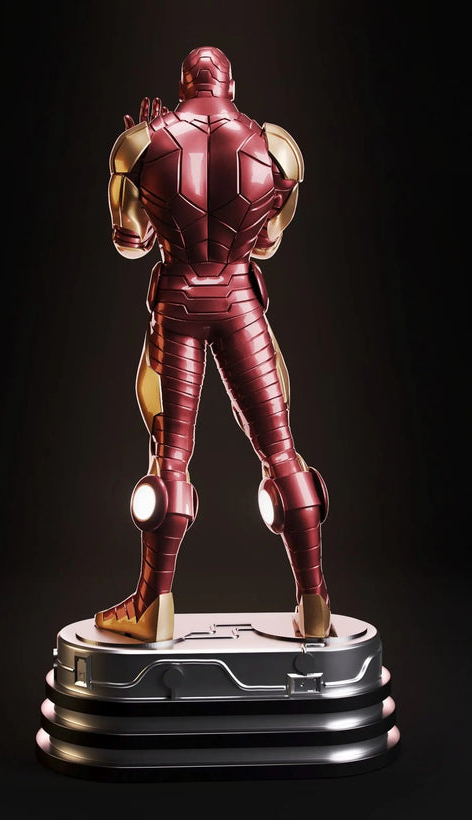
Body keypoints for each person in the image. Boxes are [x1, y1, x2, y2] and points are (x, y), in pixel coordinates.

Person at [94, 46, 331, 642]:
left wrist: (146, 166)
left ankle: (153, 605)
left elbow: (128, 242)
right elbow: (268, 243)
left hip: (178, 299)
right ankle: (315, 602)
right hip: (239, 300)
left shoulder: (139, 144)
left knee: (170, 457)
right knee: (282, 451)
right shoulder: (276, 147)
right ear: (231, 84)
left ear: (182, 85)